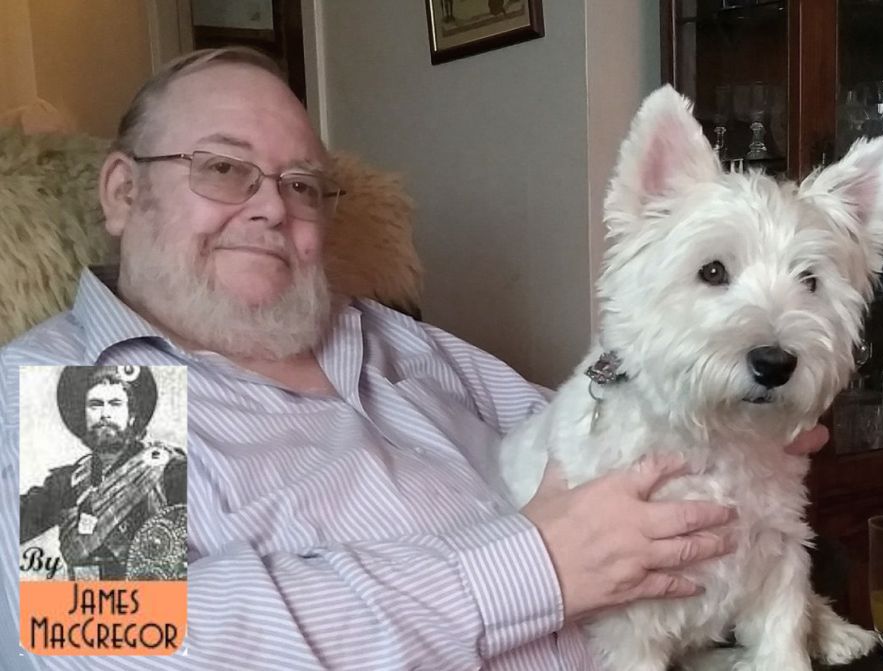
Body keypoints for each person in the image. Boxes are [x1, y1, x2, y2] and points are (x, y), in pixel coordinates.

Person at [0, 47, 828, 670]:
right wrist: (535, 567)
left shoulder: (391, 339)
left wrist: (714, 412)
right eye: (222, 169)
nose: (269, 208)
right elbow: (123, 641)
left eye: (300, 184)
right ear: (121, 191)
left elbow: (580, 424)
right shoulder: (89, 382)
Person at [19, 365, 186, 580]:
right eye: (95, 405)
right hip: (83, 606)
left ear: (132, 416)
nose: (105, 414)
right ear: (84, 416)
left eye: (115, 404)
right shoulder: (66, 482)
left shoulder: (171, 471)